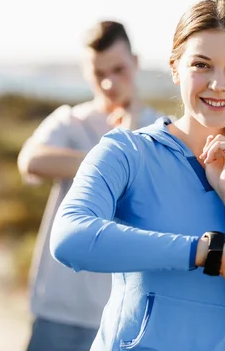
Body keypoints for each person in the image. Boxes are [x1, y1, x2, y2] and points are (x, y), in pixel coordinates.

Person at [50, 0, 225, 351]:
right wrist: (207, 253)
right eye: (202, 65)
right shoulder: (125, 152)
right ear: (175, 68)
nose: (217, 84)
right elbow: (70, 238)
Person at [17, 20, 163, 351]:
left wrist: (135, 124)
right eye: (99, 73)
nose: (109, 82)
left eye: (119, 69)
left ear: (136, 64)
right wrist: (112, 160)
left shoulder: (159, 127)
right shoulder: (70, 120)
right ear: (86, 72)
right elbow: (31, 161)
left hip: (128, 314)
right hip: (59, 308)